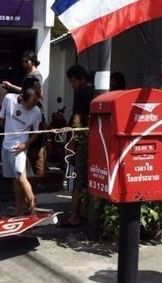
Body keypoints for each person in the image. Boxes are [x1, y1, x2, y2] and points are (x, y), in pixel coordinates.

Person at [0, 88, 42, 216]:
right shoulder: (9, 99)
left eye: (34, 105)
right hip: (6, 145)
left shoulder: (36, 111)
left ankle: (34, 210)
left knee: (22, 178)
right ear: (22, 98)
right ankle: (19, 210)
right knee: (16, 179)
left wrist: (25, 144)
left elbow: (37, 133)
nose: (31, 108)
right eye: (29, 105)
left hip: (20, 147)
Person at [59, 64, 95, 227]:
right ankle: (83, 212)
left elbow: (77, 119)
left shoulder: (82, 93)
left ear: (82, 79)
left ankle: (74, 216)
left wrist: (72, 142)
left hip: (82, 142)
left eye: (74, 81)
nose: (72, 85)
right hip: (91, 141)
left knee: (77, 179)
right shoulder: (94, 91)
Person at [21, 77, 47, 183]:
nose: (39, 89)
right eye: (36, 87)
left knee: (39, 174)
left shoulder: (38, 105)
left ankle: (31, 196)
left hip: (40, 144)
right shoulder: (19, 105)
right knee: (26, 175)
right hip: (26, 144)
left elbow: (42, 122)